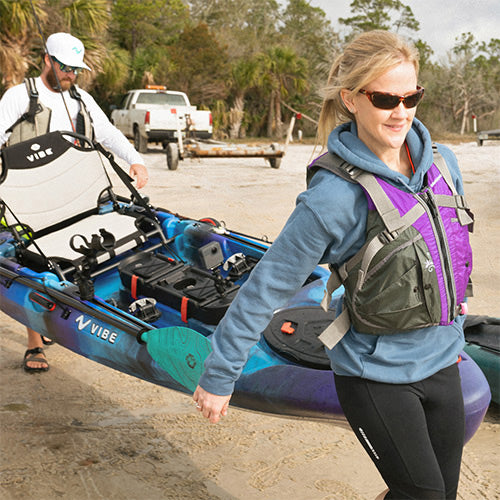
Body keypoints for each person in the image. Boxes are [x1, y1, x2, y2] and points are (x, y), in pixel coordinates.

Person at [192, 30, 473, 499]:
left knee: (439, 493)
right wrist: (221, 373)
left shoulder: (445, 163)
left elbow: (447, 243)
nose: (401, 111)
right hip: (375, 374)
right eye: (385, 98)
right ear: (351, 99)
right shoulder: (333, 198)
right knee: (423, 494)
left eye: (411, 96)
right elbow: (269, 284)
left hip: (442, 357)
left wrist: (456, 301)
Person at [0, 32, 149, 373]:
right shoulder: (19, 97)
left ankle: (62, 318)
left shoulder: (81, 97)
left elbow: (108, 132)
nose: (70, 75)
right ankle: (34, 343)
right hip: (31, 194)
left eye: (75, 70)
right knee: (37, 262)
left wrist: (134, 159)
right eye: (65, 67)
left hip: (76, 190)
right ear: (47, 61)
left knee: (79, 255)